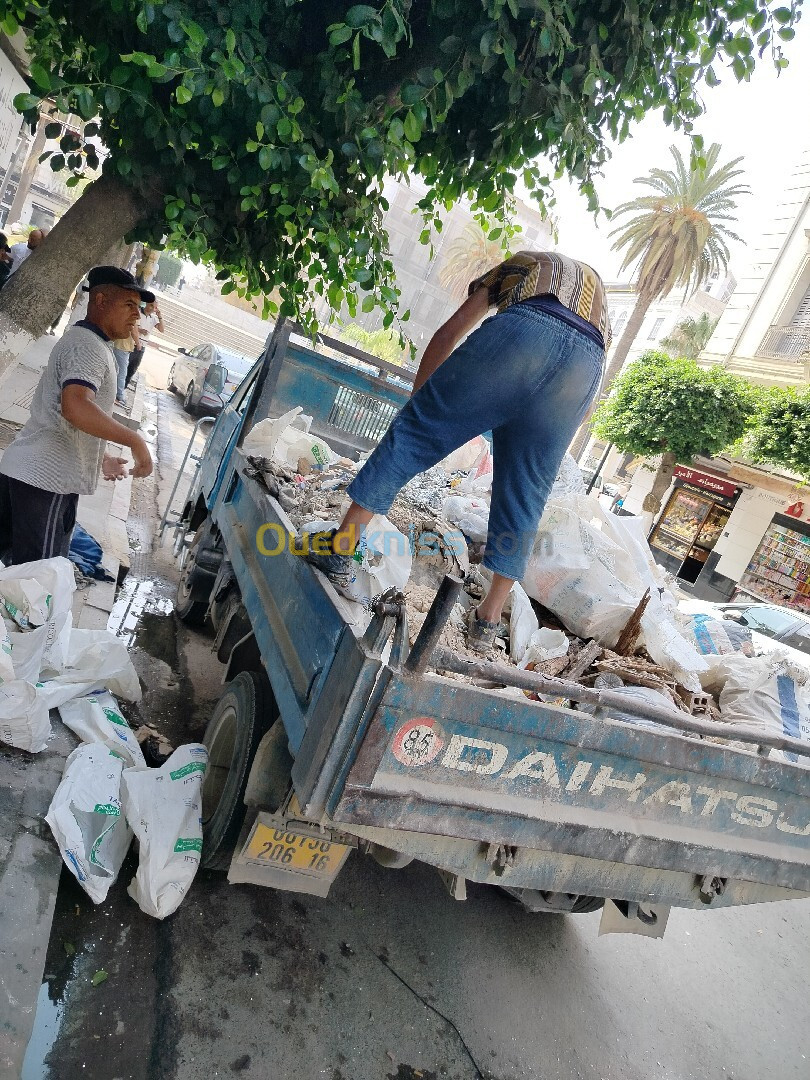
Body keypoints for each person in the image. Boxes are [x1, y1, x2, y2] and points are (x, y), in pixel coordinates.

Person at [308, 250, 610, 652]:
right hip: (583, 371)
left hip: (524, 335)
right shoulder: (602, 305)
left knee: (415, 433)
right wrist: (536, 447)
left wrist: (420, 406)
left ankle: (341, 548)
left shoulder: (523, 264)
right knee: (525, 493)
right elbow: (587, 407)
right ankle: (487, 621)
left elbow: (451, 332)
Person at [0, 265, 154, 565]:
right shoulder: (87, 346)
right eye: (129, 305)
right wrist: (134, 439)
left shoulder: (91, 343)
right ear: (100, 301)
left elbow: (65, 416)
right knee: (36, 579)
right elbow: (75, 407)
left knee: (16, 577)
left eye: (139, 308)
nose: (137, 315)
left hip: (31, 476)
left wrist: (100, 457)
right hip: (44, 482)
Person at [126, 299, 164, 387]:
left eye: (154, 307)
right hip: (132, 343)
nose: (152, 309)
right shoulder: (138, 312)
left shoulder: (153, 318)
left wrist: (160, 316)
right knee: (124, 366)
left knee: (132, 369)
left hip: (142, 347)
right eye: (151, 305)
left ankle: (123, 387)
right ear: (146, 304)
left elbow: (161, 329)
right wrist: (140, 330)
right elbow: (131, 325)